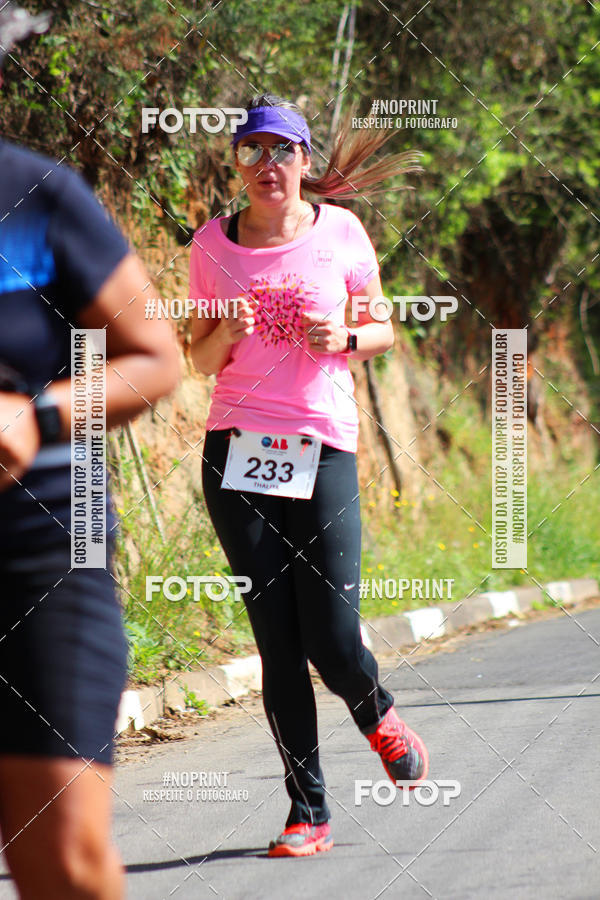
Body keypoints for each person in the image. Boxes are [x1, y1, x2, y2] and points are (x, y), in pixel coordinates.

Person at [190, 93, 427, 858]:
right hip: (236, 452)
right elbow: (196, 360)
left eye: (282, 150)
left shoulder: (343, 234)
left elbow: (384, 327)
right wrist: (227, 328)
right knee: (277, 641)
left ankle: (378, 713)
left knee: (329, 630)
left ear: (303, 162)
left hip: (322, 444)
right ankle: (308, 812)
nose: (269, 165)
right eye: (253, 151)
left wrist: (345, 334)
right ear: (237, 162)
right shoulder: (211, 247)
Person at [0, 5, 180, 897]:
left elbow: (157, 359)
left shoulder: (37, 196)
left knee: (61, 861)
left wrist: (39, 411)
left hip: (40, 557)